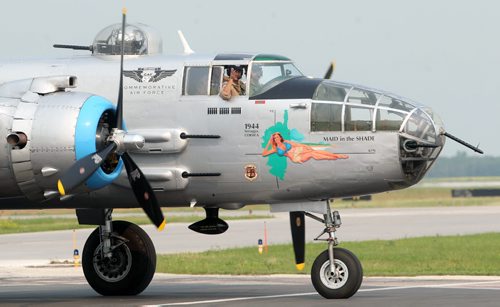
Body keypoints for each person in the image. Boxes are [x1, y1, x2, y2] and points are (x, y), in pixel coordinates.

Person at [262, 132, 348, 163]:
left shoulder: (286, 142)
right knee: (312, 154)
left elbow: (297, 144)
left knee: (313, 151)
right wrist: (269, 142)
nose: (276, 138)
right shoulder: (275, 149)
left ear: (280, 137)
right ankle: (335, 157)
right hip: (295, 157)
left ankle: (335, 156)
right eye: (274, 138)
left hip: (299, 150)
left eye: (277, 137)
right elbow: (264, 154)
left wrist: (306, 146)